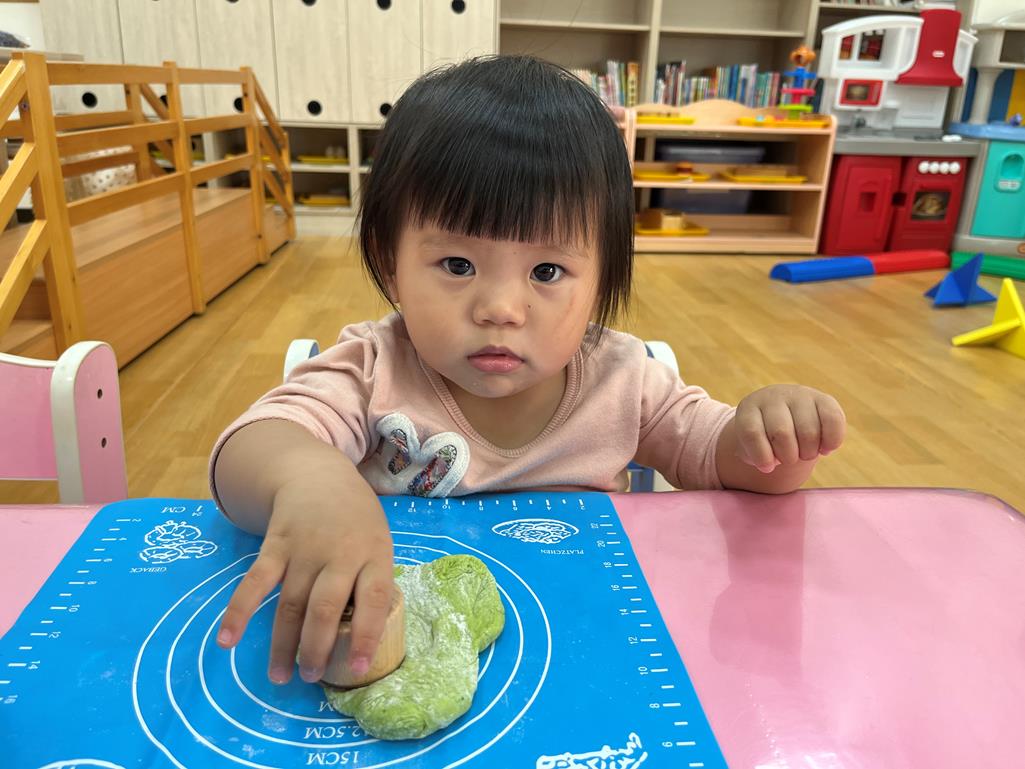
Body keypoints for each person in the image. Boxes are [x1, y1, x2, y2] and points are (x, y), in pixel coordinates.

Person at [209, 56, 846, 689]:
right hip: (404, 650)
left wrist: (773, 440)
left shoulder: (625, 381)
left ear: (600, 279)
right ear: (390, 261)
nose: (501, 309)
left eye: (547, 272)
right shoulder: (374, 369)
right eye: (457, 265)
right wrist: (308, 478)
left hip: (583, 649)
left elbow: (727, 466)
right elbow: (252, 446)